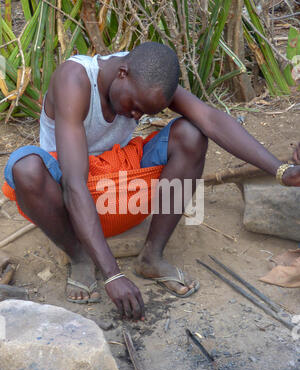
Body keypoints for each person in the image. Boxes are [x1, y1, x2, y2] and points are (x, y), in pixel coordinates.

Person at [3, 42, 300, 321]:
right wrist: (113, 274)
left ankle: (151, 256)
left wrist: (281, 171)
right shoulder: (75, 80)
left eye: (145, 113)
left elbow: (210, 119)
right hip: (70, 196)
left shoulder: (147, 79)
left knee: (192, 134)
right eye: (135, 107)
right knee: (26, 167)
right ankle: (80, 257)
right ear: (122, 73)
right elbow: (74, 184)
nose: (136, 115)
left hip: (116, 186)